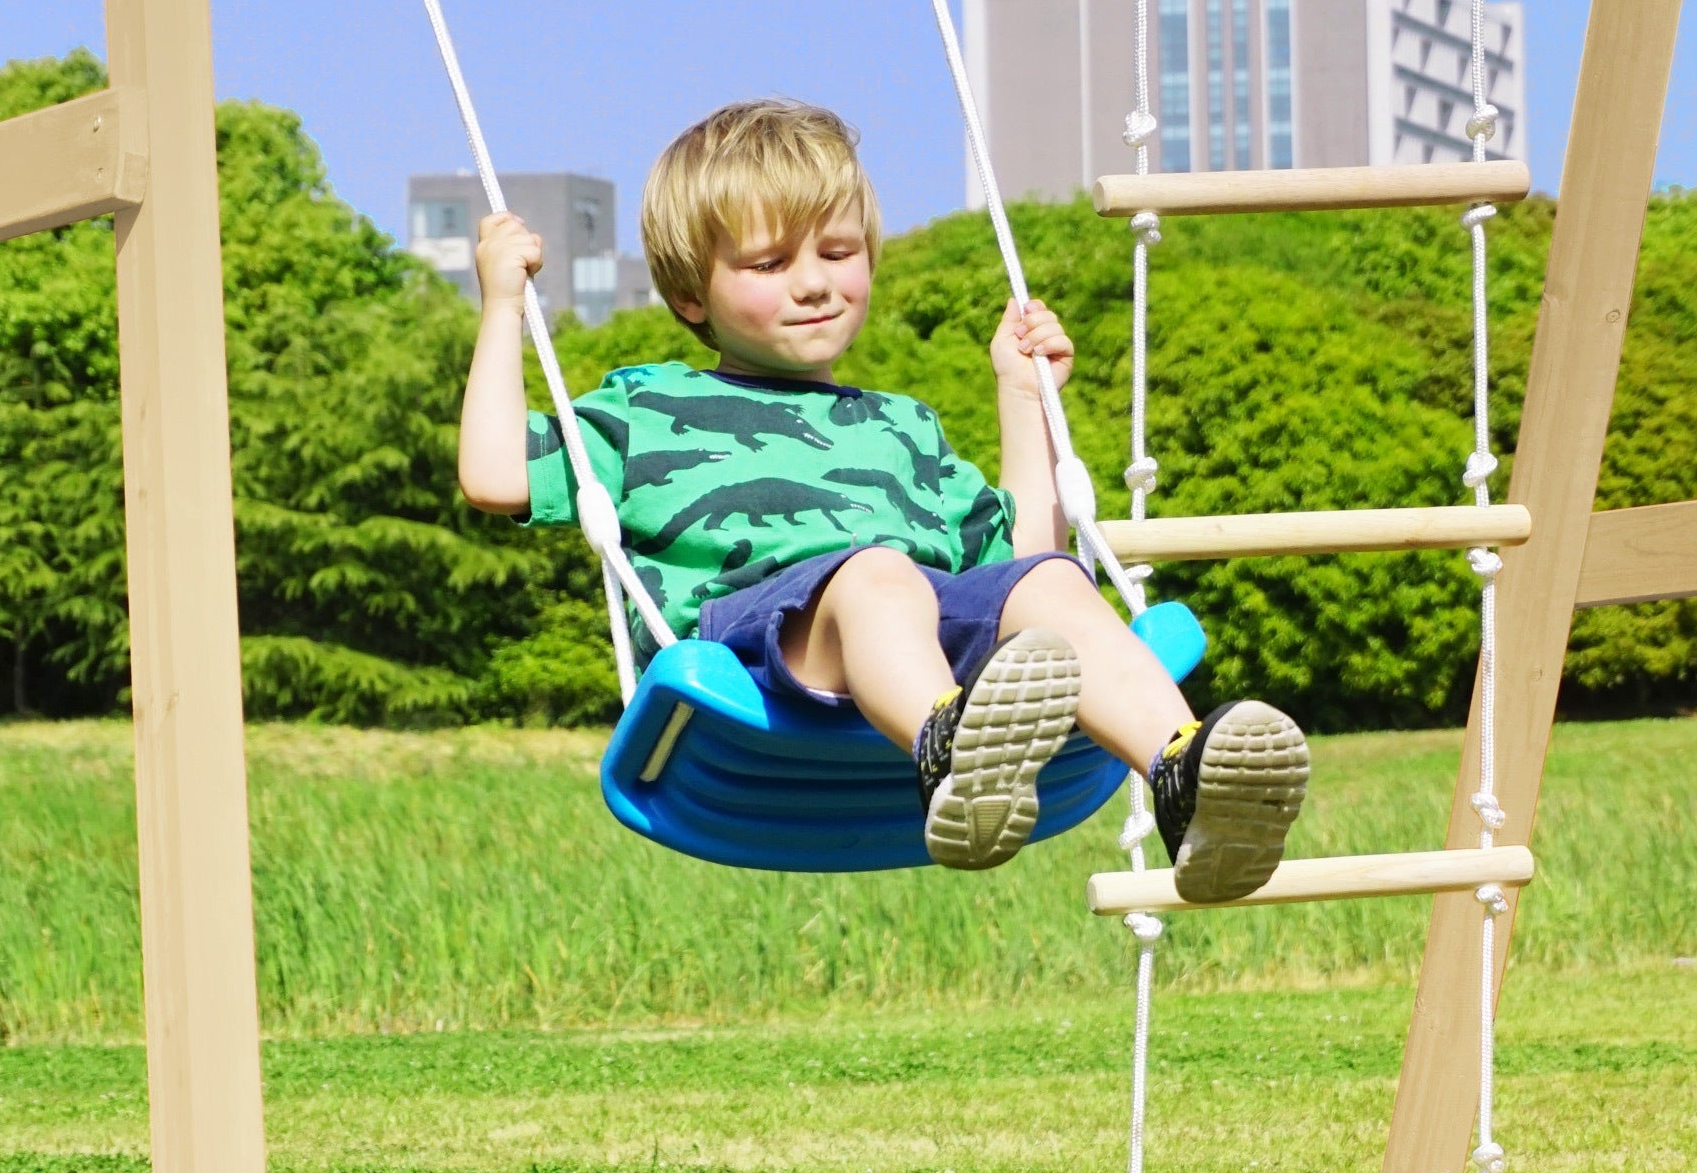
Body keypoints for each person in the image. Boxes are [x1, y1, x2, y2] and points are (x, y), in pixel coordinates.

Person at [458, 99, 1307, 897]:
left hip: (927, 641)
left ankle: (1185, 780)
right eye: (769, 263)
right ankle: (952, 752)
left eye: (837, 252)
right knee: (876, 575)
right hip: (762, 658)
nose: (814, 284)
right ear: (690, 295)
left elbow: (1017, 566)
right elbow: (495, 475)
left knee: (1053, 585)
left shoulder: (904, 426)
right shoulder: (648, 410)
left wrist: (1022, 398)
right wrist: (501, 304)